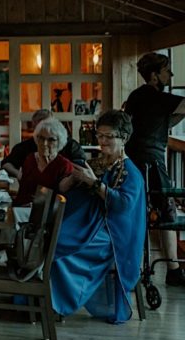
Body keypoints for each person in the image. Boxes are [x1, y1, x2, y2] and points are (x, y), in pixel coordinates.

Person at [52, 110, 146, 323]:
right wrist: (72, 182)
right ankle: (47, 300)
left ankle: (57, 304)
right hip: (93, 224)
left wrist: (93, 183)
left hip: (115, 234)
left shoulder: (131, 173)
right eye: (99, 135)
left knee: (60, 247)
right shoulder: (100, 163)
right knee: (51, 237)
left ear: (123, 138)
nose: (102, 141)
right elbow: (78, 194)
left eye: (108, 136)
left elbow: (122, 207)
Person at [123, 52, 185, 286]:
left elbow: (162, 121)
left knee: (136, 212)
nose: (171, 74)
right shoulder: (155, 96)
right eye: (167, 70)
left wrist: (174, 116)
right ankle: (173, 269)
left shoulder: (137, 96)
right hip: (152, 160)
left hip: (133, 158)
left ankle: (136, 267)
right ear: (154, 75)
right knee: (167, 210)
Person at [1, 108, 88, 181]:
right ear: (34, 127)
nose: (45, 143)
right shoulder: (25, 147)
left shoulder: (71, 145)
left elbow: (82, 167)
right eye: (41, 128)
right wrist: (19, 175)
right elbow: (6, 163)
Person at [11, 117, 76, 207]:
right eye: (41, 138)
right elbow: (22, 192)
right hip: (20, 210)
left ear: (59, 142)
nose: (44, 143)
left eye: (51, 140)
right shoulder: (30, 159)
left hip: (45, 215)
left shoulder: (64, 165)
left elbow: (62, 200)